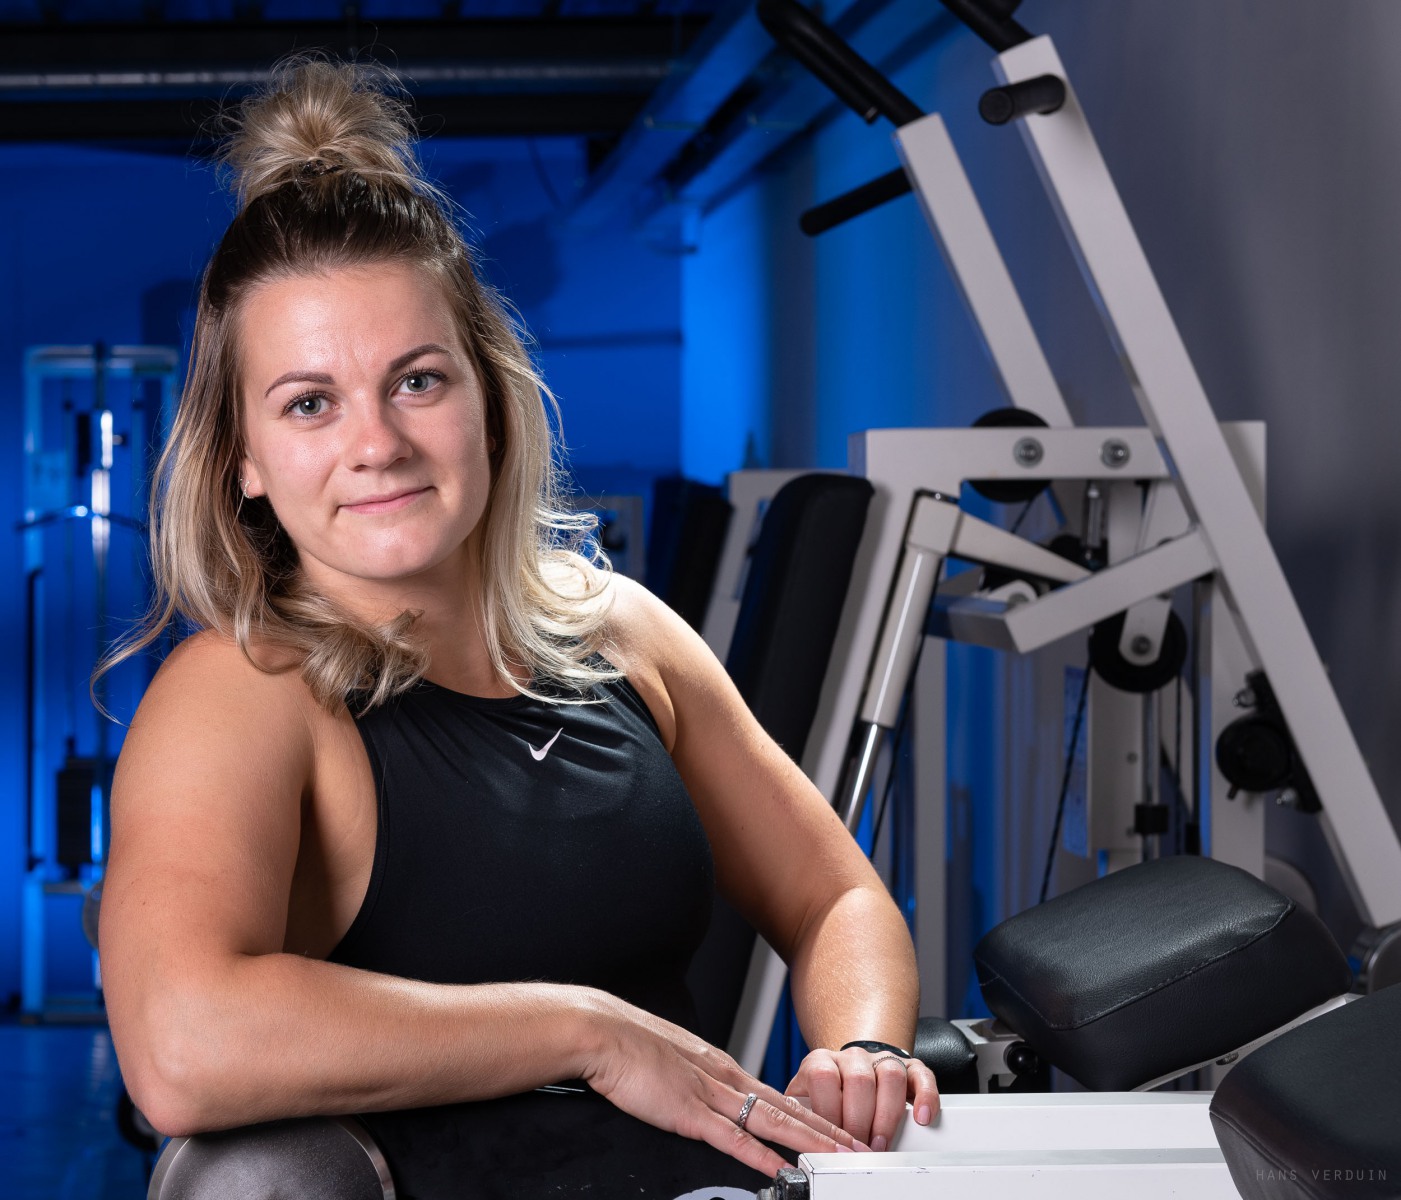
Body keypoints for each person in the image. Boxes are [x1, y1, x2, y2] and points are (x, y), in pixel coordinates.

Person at [99, 58, 937, 1199]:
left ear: (488, 400)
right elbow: (180, 1048)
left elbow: (835, 896)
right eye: (310, 403)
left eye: (418, 382)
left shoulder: (618, 631)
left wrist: (865, 1048)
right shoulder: (242, 692)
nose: (377, 444)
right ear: (243, 458)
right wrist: (586, 1032)